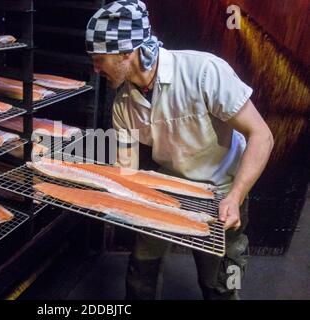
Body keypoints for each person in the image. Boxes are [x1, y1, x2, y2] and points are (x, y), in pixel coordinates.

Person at [85, 0, 274, 299]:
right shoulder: (123, 103)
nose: (95, 69)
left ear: (125, 52)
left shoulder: (203, 72)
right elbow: (127, 170)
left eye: (99, 59)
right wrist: (102, 192)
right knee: (140, 270)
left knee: (220, 282)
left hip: (220, 188)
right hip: (165, 186)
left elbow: (262, 135)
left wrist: (236, 197)